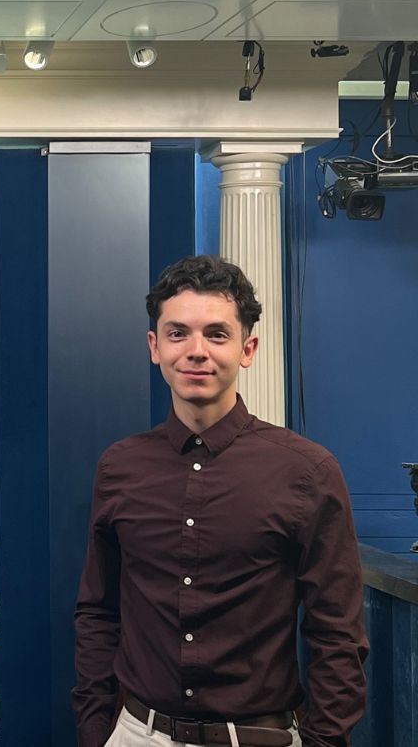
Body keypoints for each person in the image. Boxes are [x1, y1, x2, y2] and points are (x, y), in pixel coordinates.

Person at [73, 255, 368, 747]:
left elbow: (337, 634)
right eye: (177, 333)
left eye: (216, 333)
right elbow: (98, 612)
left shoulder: (307, 472)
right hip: (135, 734)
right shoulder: (118, 468)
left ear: (247, 348)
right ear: (154, 347)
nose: (195, 351)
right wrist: (95, 731)